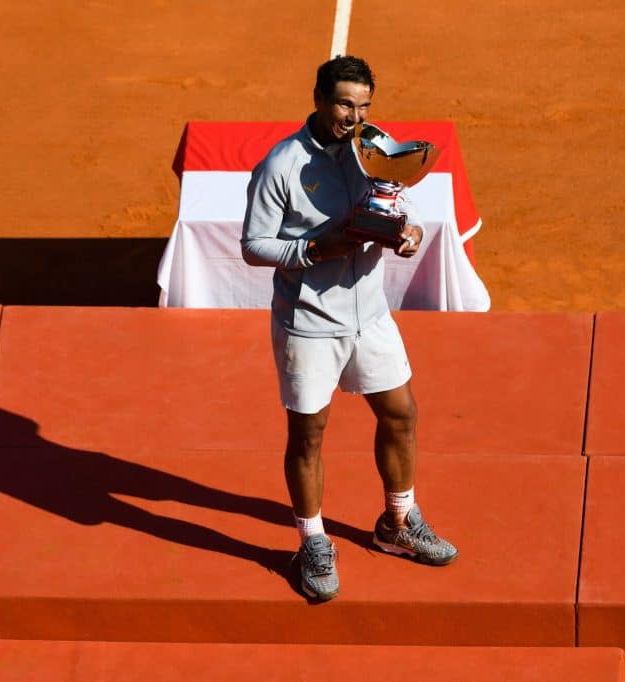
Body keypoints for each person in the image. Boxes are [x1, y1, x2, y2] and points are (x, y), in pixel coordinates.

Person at [240, 55, 457, 601]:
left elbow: (393, 204)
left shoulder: (370, 151)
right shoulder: (281, 165)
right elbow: (252, 246)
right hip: (309, 323)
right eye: (343, 104)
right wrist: (314, 248)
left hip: (370, 314)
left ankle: (398, 524)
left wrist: (406, 232)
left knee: (401, 415)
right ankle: (312, 541)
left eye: (362, 106)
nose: (352, 116)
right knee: (308, 436)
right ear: (317, 98)